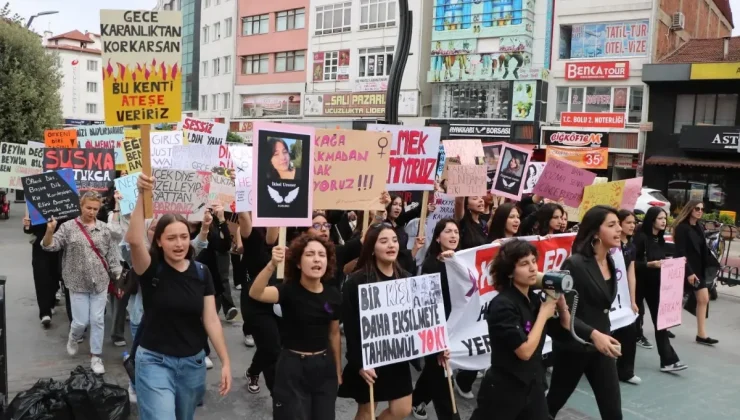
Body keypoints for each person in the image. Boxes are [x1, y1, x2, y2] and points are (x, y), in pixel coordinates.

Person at [126, 174, 231, 420]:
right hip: (154, 361)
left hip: (192, 364)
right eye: (171, 238)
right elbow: (133, 239)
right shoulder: (150, 268)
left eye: (183, 237)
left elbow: (211, 320)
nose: (179, 243)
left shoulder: (201, 272)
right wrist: (143, 194)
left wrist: (225, 361)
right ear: (159, 242)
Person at [470, 240, 570, 420]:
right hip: (504, 391)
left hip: (533, 387)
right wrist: (543, 314)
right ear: (509, 272)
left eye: (533, 261)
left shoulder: (534, 299)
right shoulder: (502, 305)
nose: (533, 268)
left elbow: (564, 330)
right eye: (524, 264)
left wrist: (561, 305)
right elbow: (524, 351)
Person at [249, 234, 342, 420]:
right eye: (310, 254)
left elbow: (334, 334)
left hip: (324, 368)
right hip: (292, 367)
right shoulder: (288, 290)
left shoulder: (333, 296)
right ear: (298, 263)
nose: (317, 259)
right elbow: (256, 293)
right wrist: (272, 264)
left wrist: (337, 371)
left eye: (322, 255)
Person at [546, 205, 624, 420]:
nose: (619, 229)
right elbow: (564, 315)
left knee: (613, 412)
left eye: (619, 224)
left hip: (602, 348)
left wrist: (603, 336)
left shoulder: (610, 260)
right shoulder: (575, 264)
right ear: (596, 232)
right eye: (612, 225)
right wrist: (594, 334)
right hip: (573, 347)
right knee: (552, 404)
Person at [42, 191, 123, 374]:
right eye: (88, 208)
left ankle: (96, 356)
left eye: (95, 209)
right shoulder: (69, 227)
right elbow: (50, 246)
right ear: (81, 206)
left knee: (97, 320)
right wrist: (49, 230)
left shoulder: (104, 229)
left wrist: (118, 275)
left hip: (100, 281)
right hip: (77, 281)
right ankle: (74, 336)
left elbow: (111, 255)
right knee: (80, 322)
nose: (91, 212)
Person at [339, 224, 413, 420]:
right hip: (369, 358)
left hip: (397, 356)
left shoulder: (406, 279)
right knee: (366, 412)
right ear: (372, 247)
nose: (391, 245)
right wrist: (360, 364)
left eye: (394, 240)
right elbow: (351, 328)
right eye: (384, 241)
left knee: (402, 409)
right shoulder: (356, 282)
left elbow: (419, 320)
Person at [411, 219, 456, 420]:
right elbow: (428, 305)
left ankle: (415, 399)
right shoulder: (431, 265)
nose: (453, 235)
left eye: (456, 231)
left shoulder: (459, 262)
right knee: (444, 383)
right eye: (448, 231)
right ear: (438, 237)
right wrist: (437, 344)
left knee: (434, 371)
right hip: (437, 332)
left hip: (454, 328)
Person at [634, 207, 688, 372]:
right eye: (660, 218)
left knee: (661, 322)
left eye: (665, 218)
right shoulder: (641, 238)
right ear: (652, 220)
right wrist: (650, 265)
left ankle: (668, 360)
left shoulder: (661, 240)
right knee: (630, 323)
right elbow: (631, 263)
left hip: (656, 285)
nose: (664, 221)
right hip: (638, 285)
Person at [673, 200, 719, 346]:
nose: (700, 211)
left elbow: (703, 249)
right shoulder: (682, 228)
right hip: (687, 268)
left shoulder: (699, 227)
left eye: (702, 209)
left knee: (703, 299)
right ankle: (664, 325)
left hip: (699, 269)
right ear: (690, 209)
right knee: (674, 300)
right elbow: (681, 252)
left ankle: (701, 334)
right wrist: (689, 272)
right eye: (697, 209)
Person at [613, 210, 643, 384]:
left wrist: (632, 300)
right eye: (628, 222)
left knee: (630, 331)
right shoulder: (609, 246)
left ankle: (626, 371)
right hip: (608, 296)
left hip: (623, 298)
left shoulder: (631, 247)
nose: (632, 226)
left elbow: (631, 274)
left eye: (634, 222)